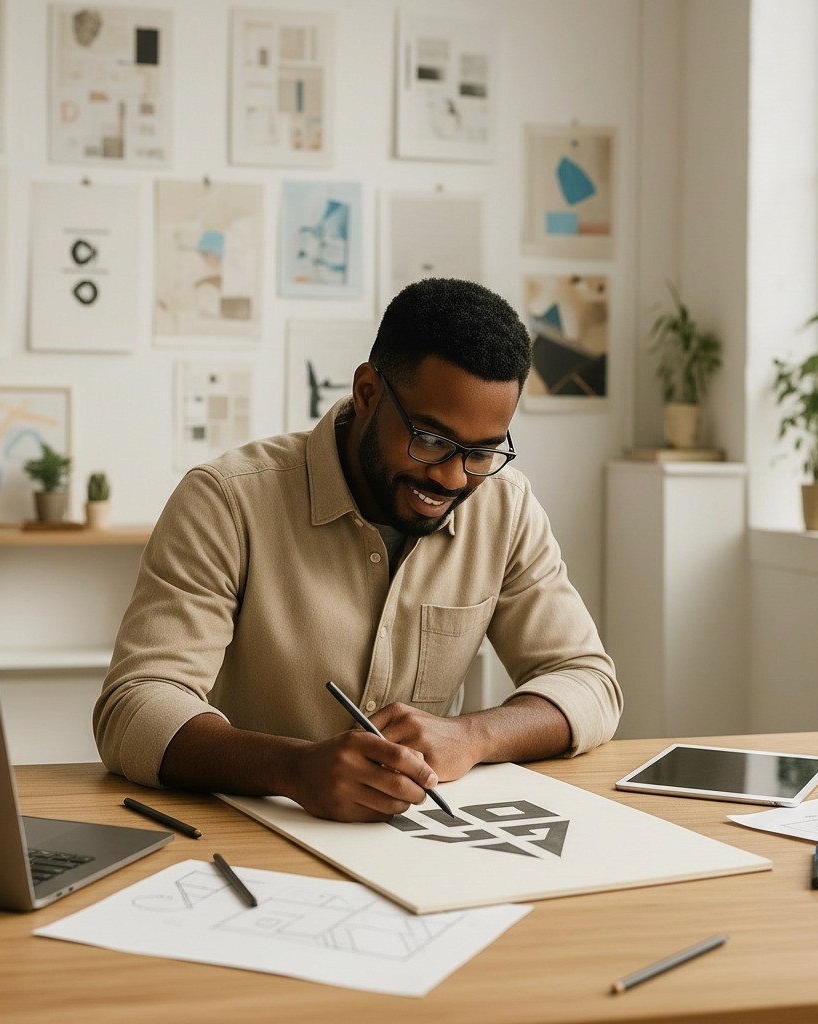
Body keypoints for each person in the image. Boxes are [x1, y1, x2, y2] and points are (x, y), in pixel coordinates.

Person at [94, 278, 622, 822]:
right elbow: (135, 706)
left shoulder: (505, 509)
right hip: (246, 833)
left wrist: (473, 736)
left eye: (482, 452)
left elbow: (589, 682)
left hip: (415, 844)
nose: (450, 477)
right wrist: (293, 769)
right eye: (432, 439)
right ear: (368, 392)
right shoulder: (227, 501)